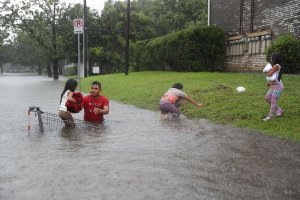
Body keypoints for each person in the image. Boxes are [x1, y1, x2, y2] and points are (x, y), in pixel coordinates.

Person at [263, 53, 284, 121]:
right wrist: (269, 82)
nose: (270, 59)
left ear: (275, 59)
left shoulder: (276, 66)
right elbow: (274, 76)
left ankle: (270, 116)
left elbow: (269, 74)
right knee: (267, 98)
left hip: (278, 87)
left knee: (273, 101)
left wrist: (265, 71)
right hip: (273, 86)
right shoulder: (273, 66)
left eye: (271, 58)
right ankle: (279, 110)